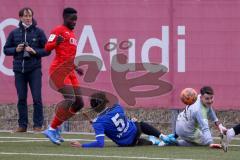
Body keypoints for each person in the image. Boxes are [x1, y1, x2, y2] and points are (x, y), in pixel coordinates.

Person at [4, 7, 50, 132]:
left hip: (34, 69)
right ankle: (22, 125)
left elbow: (47, 50)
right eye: (25, 16)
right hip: (19, 70)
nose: (28, 18)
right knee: (21, 98)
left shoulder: (39, 32)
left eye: (30, 16)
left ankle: (38, 125)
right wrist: (16, 49)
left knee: (36, 98)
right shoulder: (14, 33)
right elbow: (5, 49)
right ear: (20, 17)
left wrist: (34, 51)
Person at [43, 7, 84, 145]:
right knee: (71, 99)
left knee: (79, 103)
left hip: (70, 71)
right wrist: (56, 42)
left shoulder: (72, 34)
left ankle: (56, 126)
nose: (74, 22)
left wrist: (76, 67)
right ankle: (51, 128)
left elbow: (68, 55)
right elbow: (47, 47)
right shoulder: (57, 30)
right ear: (65, 18)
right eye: (72, 19)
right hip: (58, 71)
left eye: (76, 20)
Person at [70, 92, 169, 148]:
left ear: (94, 107)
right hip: (135, 130)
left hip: (126, 143)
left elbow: (100, 144)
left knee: (132, 139)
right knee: (137, 122)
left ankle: (153, 142)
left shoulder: (98, 123)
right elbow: (113, 118)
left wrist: (82, 145)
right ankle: (161, 136)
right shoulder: (116, 105)